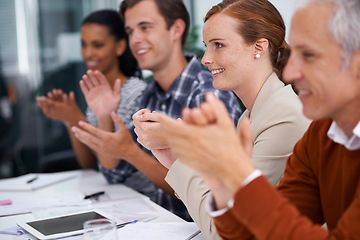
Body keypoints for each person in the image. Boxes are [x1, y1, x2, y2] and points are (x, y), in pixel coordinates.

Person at [157, 0, 360, 238]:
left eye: (309, 54)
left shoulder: (289, 118)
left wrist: (239, 178)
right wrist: (225, 186)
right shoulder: (322, 134)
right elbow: (251, 233)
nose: (291, 72)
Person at [133, 0, 310, 238]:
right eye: (207, 45)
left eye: (218, 45)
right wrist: (174, 156)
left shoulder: (283, 117)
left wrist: (179, 153)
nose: (205, 58)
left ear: (259, 47)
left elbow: (226, 231)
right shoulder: (253, 113)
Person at [70, 0, 242, 221]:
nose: (135, 40)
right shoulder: (150, 95)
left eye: (145, 27)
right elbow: (114, 171)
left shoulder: (209, 94)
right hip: (161, 226)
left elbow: (209, 191)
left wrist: (130, 152)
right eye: (131, 31)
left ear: (176, 29)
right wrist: (104, 116)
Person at [36, 10, 147, 171]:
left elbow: (115, 167)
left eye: (98, 45)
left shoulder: (136, 93)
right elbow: (90, 163)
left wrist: (77, 118)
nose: (88, 53)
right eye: (83, 44)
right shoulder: (96, 93)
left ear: (120, 46)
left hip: (134, 192)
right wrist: (70, 120)